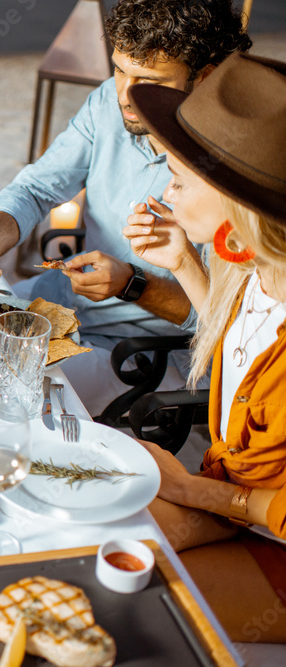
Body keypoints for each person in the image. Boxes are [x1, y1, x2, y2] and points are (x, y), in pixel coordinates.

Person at [0, 0, 251, 415]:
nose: (125, 94)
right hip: (56, 307)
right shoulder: (110, 101)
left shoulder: (235, 168)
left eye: (148, 79)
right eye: (119, 69)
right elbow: (37, 187)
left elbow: (226, 324)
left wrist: (132, 285)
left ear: (206, 76)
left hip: (142, 353)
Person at [122, 53, 286, 642]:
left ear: (234, 208)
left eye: (178, 179)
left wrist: (194, 491)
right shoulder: (256, 271)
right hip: (234, 500)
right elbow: (238, 345)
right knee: (96, 536)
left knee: (138, 609)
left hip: (268, 532)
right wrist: (184, 262)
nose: (164, 190)